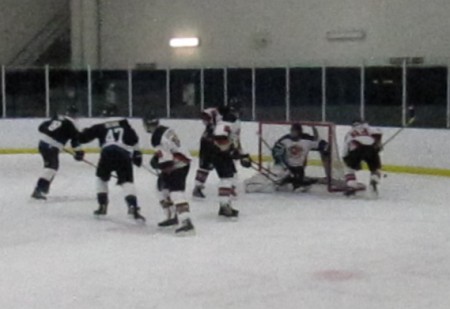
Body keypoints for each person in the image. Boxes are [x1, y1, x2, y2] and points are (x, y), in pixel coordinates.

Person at [78, 104, 145, 221]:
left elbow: (83, 137)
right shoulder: (124, 124)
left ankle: (102, 206)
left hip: (107, 152)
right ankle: (133, 206)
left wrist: (77, 134)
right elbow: (134, 139)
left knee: (101, 178)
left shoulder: (100, 125)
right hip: (123, 153)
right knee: (127, 182)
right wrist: (137, 153)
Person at [143, 115, 195, 235]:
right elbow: (168, 148)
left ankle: (187, 223)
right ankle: (173, 216)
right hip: (181, 161)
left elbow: (167, 161)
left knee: (176, 193)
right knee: (161, 189)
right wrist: (157, 159)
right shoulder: (165, 129)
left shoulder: (156, 137)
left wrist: (158, 165)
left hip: (178, 165)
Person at [244, 123, 329, 193]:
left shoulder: (307, 140)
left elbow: (322, 144)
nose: (292, 133)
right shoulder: (285, 139)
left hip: (298, 168)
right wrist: (280, 159)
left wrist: (325, 148)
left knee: (296, 185)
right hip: (286, 167)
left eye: (294, 131)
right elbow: (276, 151)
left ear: (299, 132)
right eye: (291, 131)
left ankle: (300, 183)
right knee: (278, 182)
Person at [31, 105, 84, 200]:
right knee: (51, 168)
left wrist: (54, 137)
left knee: (52, 167)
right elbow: (75, 141)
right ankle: (39, 189)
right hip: (51, 147)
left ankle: (44, 187)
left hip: (43, 143)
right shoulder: (72, 124)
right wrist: (79, 153)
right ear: (75, 115)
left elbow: (41, 127)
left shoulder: (57, 118)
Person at [192, 104, 242, 198]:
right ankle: (198, 187)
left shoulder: (230, 121)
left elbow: (235, 138)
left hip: (212, 142)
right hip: (210, 143)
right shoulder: (225, 118)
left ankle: (229, 187)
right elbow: (205, 114)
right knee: (206, 166)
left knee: (208, 166)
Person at [211, 111, 251, 218]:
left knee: (232, 177)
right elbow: (220, 140)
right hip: (220, 157)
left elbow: (234, 142)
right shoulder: (223, 125)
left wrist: (241, 155)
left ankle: (225, 204)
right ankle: (224, 206)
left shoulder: (230, 125)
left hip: (223, 156)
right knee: (226, 180)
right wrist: (231, 152)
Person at [342, 120, 382, 194]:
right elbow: (379, 133)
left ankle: (352, 185)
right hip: (371, 149)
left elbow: (346, 147)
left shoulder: (350, 132)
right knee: (375, 168)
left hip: (357, 150)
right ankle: (374, 178)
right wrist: (378, 146)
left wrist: (346, 158)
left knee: (349, 168)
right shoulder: (370, 129)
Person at [192, 107, 222, 198]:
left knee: (206, 166)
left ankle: (228, 185)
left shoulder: (217, 119)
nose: (203, 121)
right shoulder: (216, 117)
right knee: (204, 166)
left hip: (211, 143)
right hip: (208, 144)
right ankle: (197, 187)